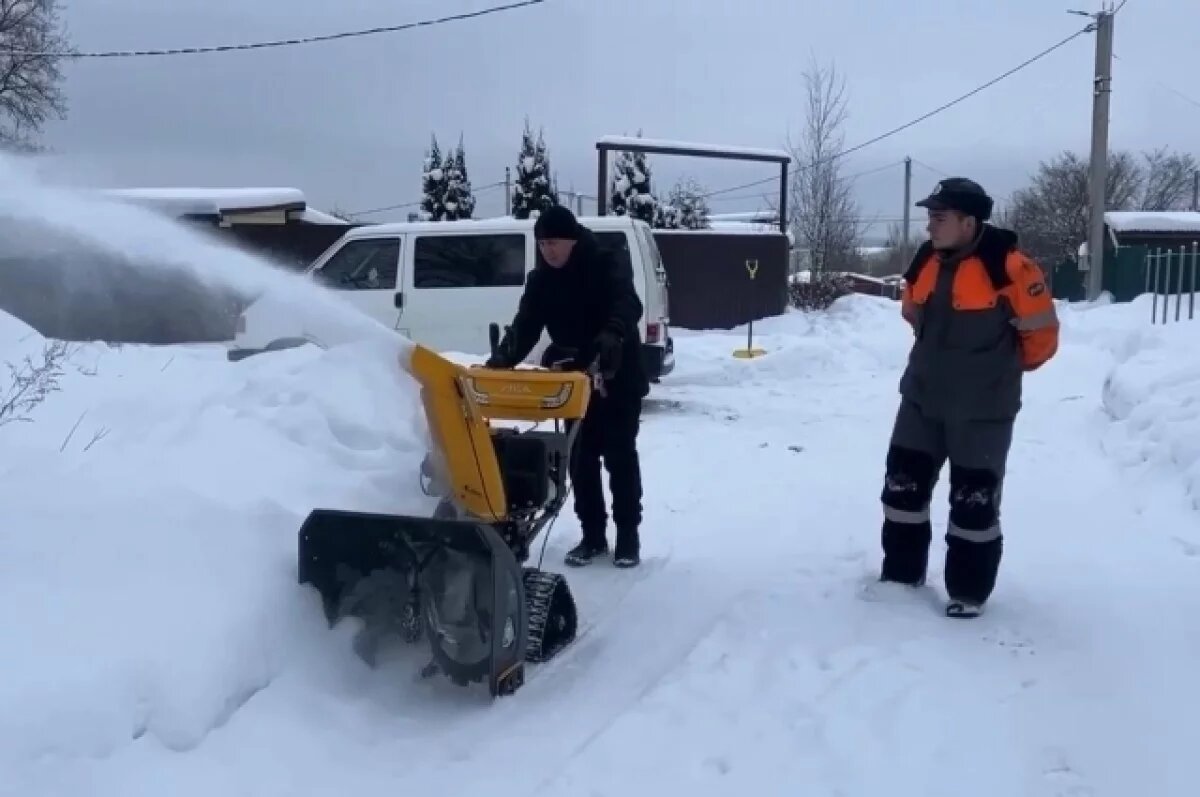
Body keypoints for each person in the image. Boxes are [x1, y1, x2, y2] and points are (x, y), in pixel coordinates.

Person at [878, 177, 1059, 618]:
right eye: (929, 217)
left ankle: (968, 592)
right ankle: (901, 578)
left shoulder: (1012, 268)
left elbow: (1042, 338)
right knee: (903, 488)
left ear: (968, 221)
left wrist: (994, 375)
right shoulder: (925, 261)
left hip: (983, 411)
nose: (930, 227)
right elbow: (911, 312)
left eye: (939, 218)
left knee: (972, 501)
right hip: (921, 401)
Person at [486, 205, 650, 568]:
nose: (549, 251)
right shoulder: (541, 281)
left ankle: (628, 537)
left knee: (620, 456)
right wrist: (501, 361)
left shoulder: (607, 263)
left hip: (617, 371)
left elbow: (628, 303)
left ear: (573, 240)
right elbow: (526, 325)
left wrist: (613, 333)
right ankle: (592, 535)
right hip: (574, 379)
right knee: (580, 459)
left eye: (555, 243)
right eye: (542, 244)